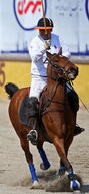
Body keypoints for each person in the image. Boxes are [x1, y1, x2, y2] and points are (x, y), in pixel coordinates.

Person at [26, 17, 84, 145]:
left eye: (46, 30)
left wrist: (58, 57)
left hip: (57, 77)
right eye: (41, 30)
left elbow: (68, 52)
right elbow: (35, 58)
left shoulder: (57, 39)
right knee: (32, 102)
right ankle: (34, 130)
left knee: (73, 96)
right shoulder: (35, 42)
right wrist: (43, 47)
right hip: (39, 77)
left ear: (50, 30)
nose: (43, 32)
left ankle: (73, 125)